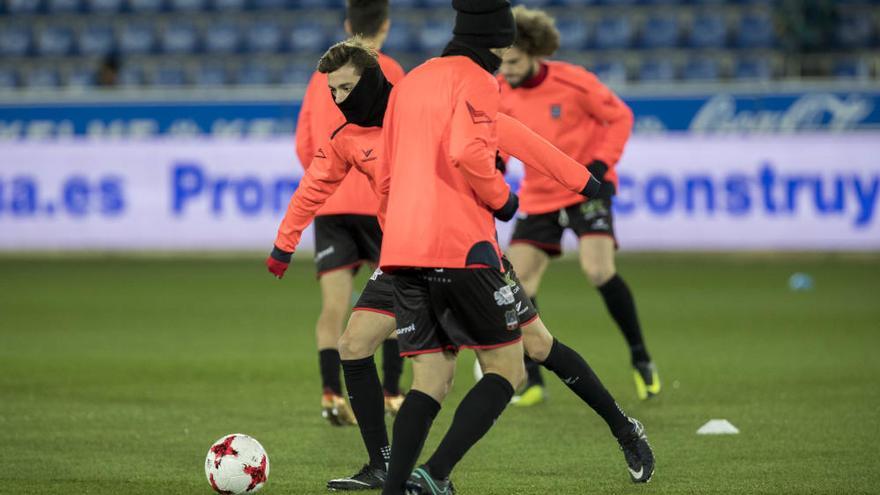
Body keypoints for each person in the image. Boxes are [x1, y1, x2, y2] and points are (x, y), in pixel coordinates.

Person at [267, 38, 654, 491]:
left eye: (346, 88)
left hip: (467, 253)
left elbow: (513, 135)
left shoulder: (424, 109)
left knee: (539, 347)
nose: (338, 100)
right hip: (405, 259)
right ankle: (384, 465)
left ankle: (624, 429)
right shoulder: (347, 138)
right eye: (332, 91)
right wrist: (284, 243)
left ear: (370, 81)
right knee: (353, 345)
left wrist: (584, 181)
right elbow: (314, 185)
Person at [376, 1, 653, 492]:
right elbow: (468, 151)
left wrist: (583, 182)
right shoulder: (481, 80)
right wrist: (503, 200)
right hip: (463, 248)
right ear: (497, 42)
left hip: (404, 251)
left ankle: (399, 489)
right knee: (513, 365)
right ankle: (437, 475)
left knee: (432, 381)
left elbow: (392, 169)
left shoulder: (412, 82)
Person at [498, 5, 660, 404]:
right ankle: (533, 379)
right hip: (539, 195)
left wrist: (601, 166)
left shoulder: (573, 81)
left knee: (598, 269)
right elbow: (497, 140)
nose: (507, 70)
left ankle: (641, 359)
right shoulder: (499, 91)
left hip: (585, 189)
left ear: (534, 53)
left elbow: (620, 117)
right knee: (518, 280)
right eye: (501, 63)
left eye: (514, 62)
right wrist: (493, 168)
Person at [294, 0, 406, 426]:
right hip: (383, 206)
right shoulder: (392, 71)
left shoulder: (321, 76)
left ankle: (330, 395)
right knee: (397, 301)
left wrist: (326, 180)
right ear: (386, 26)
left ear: (347, 24)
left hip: (333, 206)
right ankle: (392, 393)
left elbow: (305, 142)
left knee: (333, 308)